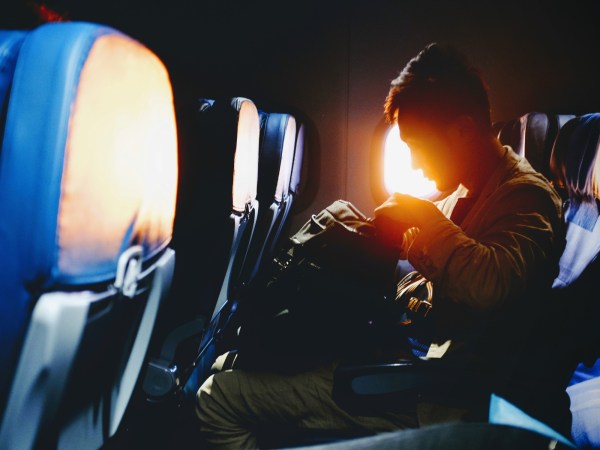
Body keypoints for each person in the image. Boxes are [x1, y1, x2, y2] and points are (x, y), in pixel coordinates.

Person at [195, 42, 568, 449]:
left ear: (461, 130)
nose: (414, 163)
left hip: (436, 393)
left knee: (218, 398)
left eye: (417, 145)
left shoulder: (527, 198)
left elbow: (490, 284)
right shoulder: (467, 193)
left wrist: (420, 215)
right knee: (233, 360)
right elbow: (438, 264)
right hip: (406, 357)